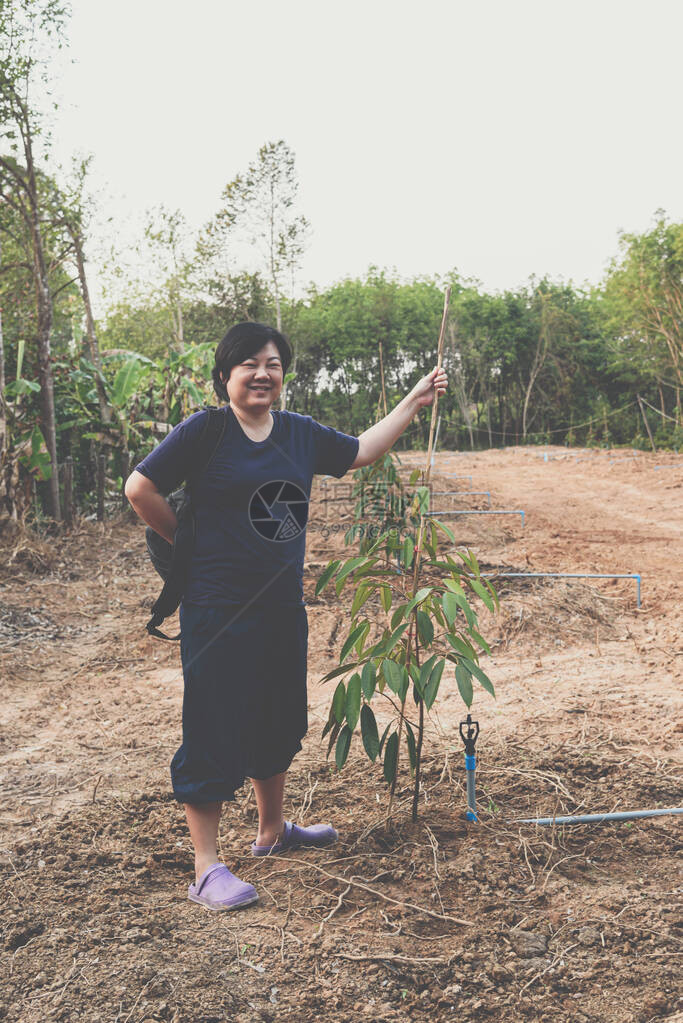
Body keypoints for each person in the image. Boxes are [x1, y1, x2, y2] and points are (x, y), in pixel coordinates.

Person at [125, 321, 448, 911]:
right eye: (248, 363)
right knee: (214, 721)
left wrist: (414, 400)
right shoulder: (207, 431)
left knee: (276, 714)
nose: (261, 373)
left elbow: (362, 450)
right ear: (225, 375)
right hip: (216, 607)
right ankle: (205, 867)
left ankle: (272, 832)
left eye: (272, 363)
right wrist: (187, 550)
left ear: (283, 374)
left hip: (280, 606)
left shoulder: (299, 434)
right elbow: (139, 487)